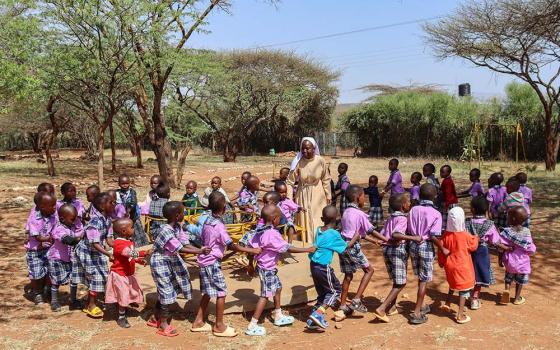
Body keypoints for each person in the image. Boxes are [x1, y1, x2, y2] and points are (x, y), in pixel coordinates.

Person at [191, 191, 260, 337]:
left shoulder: (207, 221)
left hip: (205, 262)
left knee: (208, 293)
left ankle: (198, 321)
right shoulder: (219, 226)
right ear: (223, 208)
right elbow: (231, 245)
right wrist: (250, 249)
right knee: (221, 293)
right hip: (212, 263)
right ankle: (219, 325)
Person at [245, 205, 315, 336]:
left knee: (277, 288)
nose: (281, 220)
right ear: (275, 218)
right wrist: (307, 249)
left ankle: (278, 315)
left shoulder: (259, 230)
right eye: (280, 217)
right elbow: (287, 248)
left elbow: (251, 248)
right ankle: (252, 325)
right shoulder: (272, 234)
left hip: (265, 267)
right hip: (267, 269)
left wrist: (250, 264)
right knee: (265, 295)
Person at [148, 201, 209, 337]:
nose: (184, 214)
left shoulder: (177, 227)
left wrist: (200, 249)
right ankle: (163, 324)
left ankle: (154, 318)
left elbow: (185, 243)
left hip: (170, 260)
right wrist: (200, 252)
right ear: (177, 215)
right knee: (166, 292)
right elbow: (181, 248)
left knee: (166, 290)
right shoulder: (166, 230)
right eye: (182, 212)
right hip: (160, 262)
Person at [339, 185, 388, 317]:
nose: (364, 200)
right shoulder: (360, 214)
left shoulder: (346, 212)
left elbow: (359, 232)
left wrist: (374, 241)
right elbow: (371, 230)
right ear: (357, 198)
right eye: (363, 197)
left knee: (348, 275)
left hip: (343, 246)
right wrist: (386, 239)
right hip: (353, 247)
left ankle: (343, 305)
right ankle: (356, 300)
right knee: (369, 270)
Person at [306, 205, 357, 331]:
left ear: (322, 218)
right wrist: (356, 236)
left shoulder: (319, 230)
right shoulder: (334, 234)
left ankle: (312, 320)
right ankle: (318, 314)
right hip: (323, 267)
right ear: (338, 218)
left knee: (323, 293)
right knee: (335, 291)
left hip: (313, 265)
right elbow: (345, 247)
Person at [374, 193, 421, 323]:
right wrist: (414, 238)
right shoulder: (402, 219)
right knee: (401, 282)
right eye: (408, 202)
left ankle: (392, 307)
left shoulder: (390, 218)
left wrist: (382, 241)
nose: (410, 204)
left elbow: (383, 234)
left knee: (396, 279)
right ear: (402, 206)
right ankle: (382, 308)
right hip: (397, 250)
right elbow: (396, 234)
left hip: (387, 250)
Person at [406, 183, 448, 325]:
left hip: (413, 245)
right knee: (424, 280)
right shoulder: (436, 213)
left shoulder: (413, 209)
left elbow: (409, 229)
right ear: (435, 196)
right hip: (425, 246)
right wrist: (443, 249)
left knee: (420, 277)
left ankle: (422, 304)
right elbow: (434, 235)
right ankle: (417, 312)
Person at [72, 192, 115, 318]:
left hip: (97, 251)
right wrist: (108, 254)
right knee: (95, 277)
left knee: (103, 275)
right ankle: (90, 305)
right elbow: (94, 243)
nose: (114, 204)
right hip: (87, 252)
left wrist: (120, 246)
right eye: (111, 203)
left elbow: (109, 239)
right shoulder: (94, 222)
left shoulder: (107, 220)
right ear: (102, 206)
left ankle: (88, 301)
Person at [437, 207, 479, 324]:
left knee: (453, 285)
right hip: (463, 267)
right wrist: (476, 238)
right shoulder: (465, 235)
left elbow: (441, 250)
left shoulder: (445, 235)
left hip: (449, 266)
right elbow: (473, 246)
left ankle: (447, 303)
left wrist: (441, 262)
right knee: (464, 289)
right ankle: (460, 315)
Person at [105, 218, 149, 328]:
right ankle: (121, 317)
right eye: (132, 227)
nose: (134, 229)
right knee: (123, 293)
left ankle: (125, 305)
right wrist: (144, 253)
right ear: (124, 231)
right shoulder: (119, 244)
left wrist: (138, 260)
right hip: (120, 274)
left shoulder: (128, 241)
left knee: (131, 290)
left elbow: (130, 256)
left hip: (128, 274)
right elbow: (128, 253)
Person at [287, 137, 331, 243]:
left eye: (308, 148)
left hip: (318, 193)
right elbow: (289, 181)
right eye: (303, 149)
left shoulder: (320, 160)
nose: (305, 151)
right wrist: (289, 199)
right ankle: (306, 242)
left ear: (314, 148)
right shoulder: (298, 162)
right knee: (304, 218)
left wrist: (328, 195)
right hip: (302, 194)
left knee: (317, 218)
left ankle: (319, 242)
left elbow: (326, 179)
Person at [465, 196, 500, 310]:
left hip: (468, 251)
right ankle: (475, 298)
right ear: (486, 210)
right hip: (482, 251)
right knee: (479, 273)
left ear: (472, 210)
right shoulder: (489, 224)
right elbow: (495, 241)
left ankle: (467, 295)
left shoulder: (467, 222)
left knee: (469, 272)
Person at [497, 206, 536, 306]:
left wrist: (500, 259)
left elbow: (501, 247)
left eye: (508, 216)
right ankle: (517, 298)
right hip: (522, 263)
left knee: (508, 278)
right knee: (520, 281)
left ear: (513, 219)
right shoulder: (526, 232)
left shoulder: (506, 231)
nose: (507, 218)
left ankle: (507, 290)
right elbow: (530, 248)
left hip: (510, 261)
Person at [48, 204, 82, 312]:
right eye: (72, 219)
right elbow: (68, 240)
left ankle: (73, 300)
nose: (74, 221)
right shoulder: (58, 229)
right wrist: (79, 239)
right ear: (62, 218)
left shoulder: (71, 226)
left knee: (74, 280)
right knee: (55, 281)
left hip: (70, 259)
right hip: (57, 259)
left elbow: (80, 232)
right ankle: (54, 301)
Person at [25, 192, 57, 304]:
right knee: (36, 272)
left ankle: (46, 290)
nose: (55, 207)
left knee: (50, 270)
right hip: (35, 250)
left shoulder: (53, 216)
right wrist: (46, 239)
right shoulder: (34, 218)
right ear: (42, 207)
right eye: (52, 205)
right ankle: (37, 292)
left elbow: (56, 229)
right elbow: (36, 235)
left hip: (48, 249)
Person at [117, 174, 148, 248]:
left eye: (126, 183)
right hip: (123, 218)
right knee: (125, 232)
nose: (125, 185)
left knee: (137, 232)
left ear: (129, 183)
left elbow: (133, 202)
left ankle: (141, 247)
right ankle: (127, 247)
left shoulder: (132, 192)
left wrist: (129, 210)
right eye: (123, 184)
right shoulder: (117, 193)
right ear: (119, 184)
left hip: (133, 216)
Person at [439, 165, 458, 230]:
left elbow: (448, 194)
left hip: (449, 203)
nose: (441, 174)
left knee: (447, 219)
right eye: (440, 172)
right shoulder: (446, 180)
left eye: (442, 172)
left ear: (448, 173)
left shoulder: (447, 182)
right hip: (450, 202)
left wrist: (446, 205)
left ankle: (445, 231)